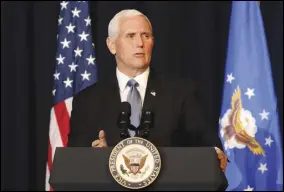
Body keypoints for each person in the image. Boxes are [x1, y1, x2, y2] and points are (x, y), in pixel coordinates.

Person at [67, 9, 227, 171]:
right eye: (131, 36)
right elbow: (73, 162)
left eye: (146, 36)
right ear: (112, 45)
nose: (140, 43)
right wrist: (93, 157)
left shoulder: (181, 93)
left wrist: (215, 153)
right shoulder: (88, 100)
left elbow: (208, 145)